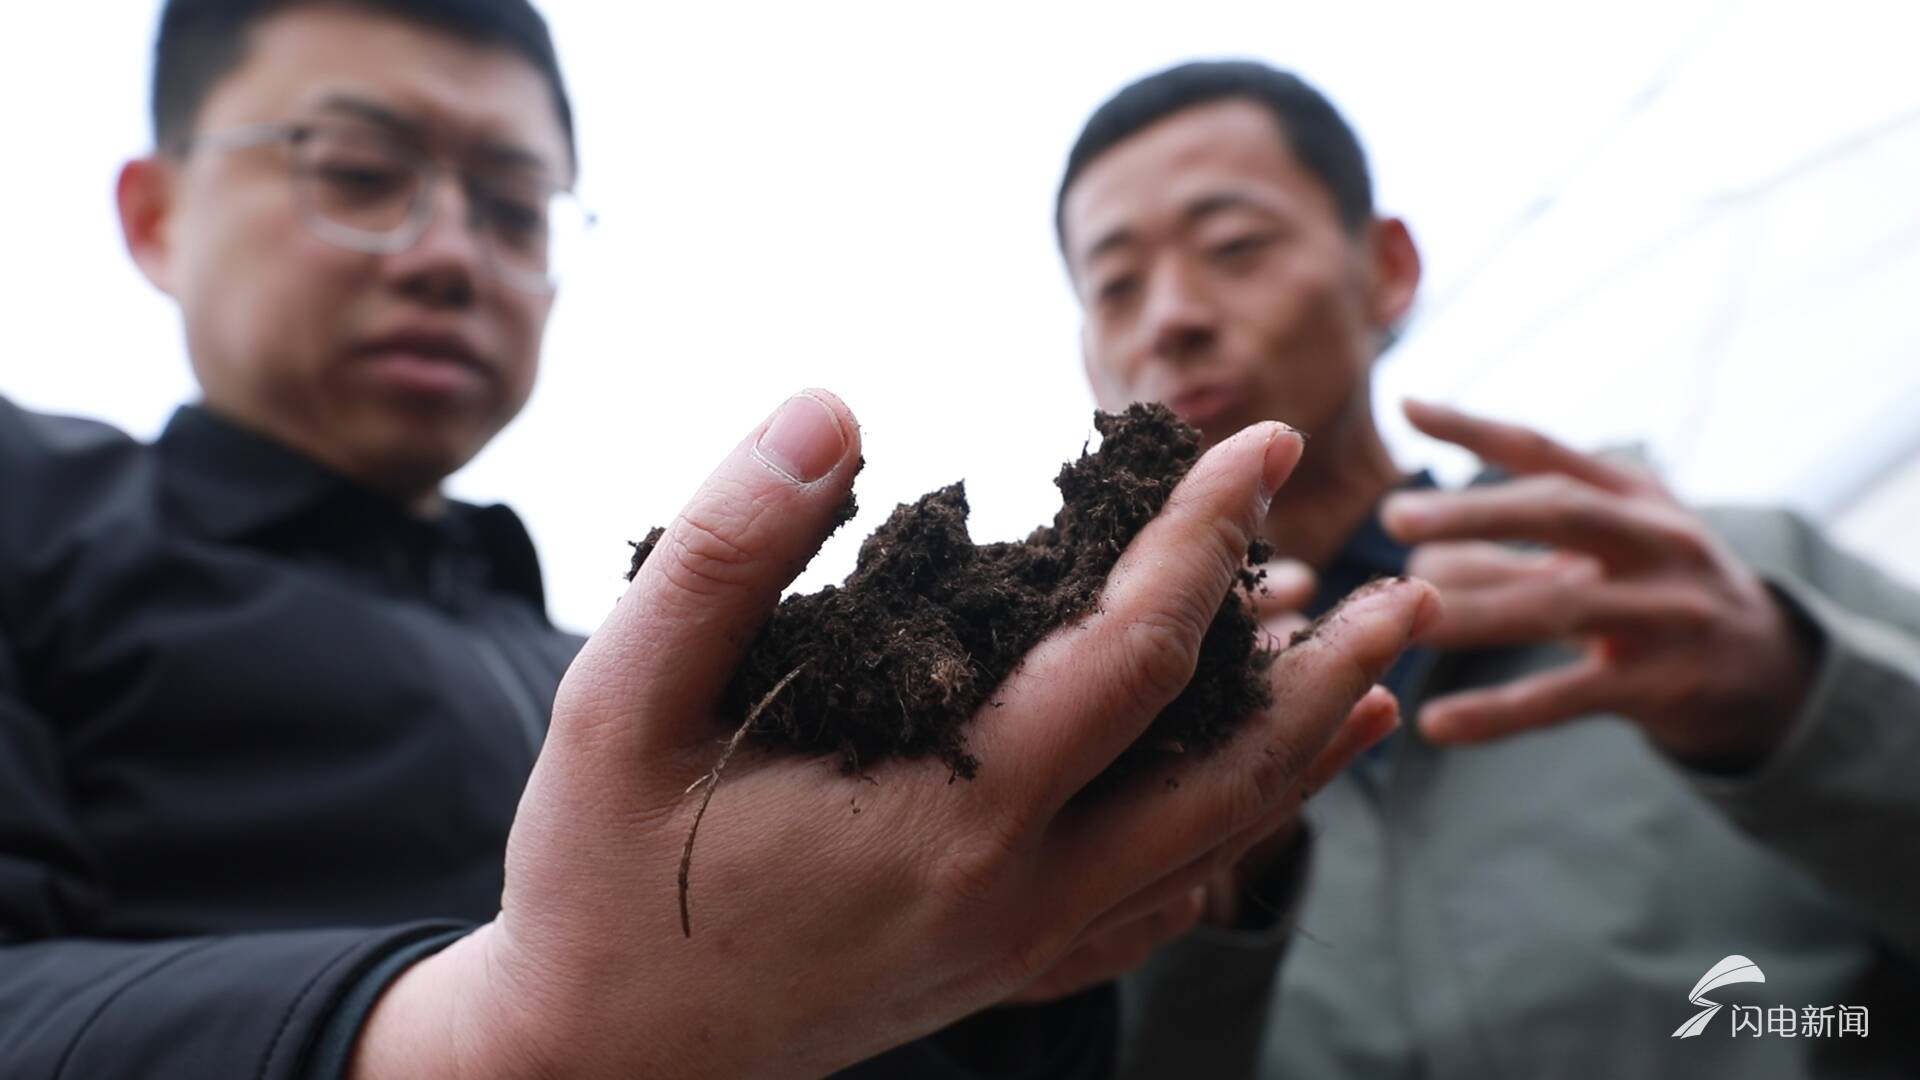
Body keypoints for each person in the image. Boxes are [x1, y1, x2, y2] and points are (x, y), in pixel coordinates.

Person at [0, 8, 1438, 1079]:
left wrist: (1041, 948)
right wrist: (485, 1030)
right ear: (157, 210)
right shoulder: (36, 507)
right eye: (359, 172)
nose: (449, 250)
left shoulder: (592, 670)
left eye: (514, 204)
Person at [1056, 60, 1920, 1079]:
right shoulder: (1100, 738)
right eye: (1117, 286)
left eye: (1235, 246)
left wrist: (1798, 705)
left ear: (1385, 269)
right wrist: (1213, 912)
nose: (1172, 317)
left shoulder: (1724, 583)